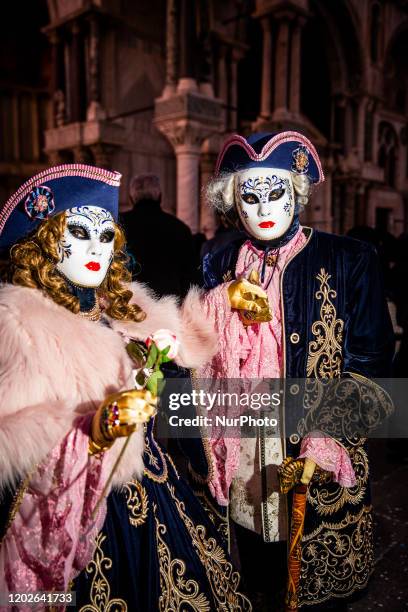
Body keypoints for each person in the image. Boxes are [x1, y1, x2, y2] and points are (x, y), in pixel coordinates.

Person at [0, 163, 251, 611]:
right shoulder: (19, 324)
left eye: (105, 235)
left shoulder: (123, 303)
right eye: (78, 232)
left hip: (152, 480)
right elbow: (13, 441)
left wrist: (222, 301)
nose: (96, 247)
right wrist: (93, 429)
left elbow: (181, 349)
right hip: (90, 508)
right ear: (44, 243)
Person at [193, 132, 394, 610]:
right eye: (250, 194)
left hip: (312, 440)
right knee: (257, 565)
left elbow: (371, 362)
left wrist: (325, 440)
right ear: (232, 200)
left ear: (297, 192)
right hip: (244, 438)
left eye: (276, 192)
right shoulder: (218, 260)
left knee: (311, 583)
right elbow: (196, 349)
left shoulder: (349, 259)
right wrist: (220, 302)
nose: (264, 206)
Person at [121, 173, 195, 298]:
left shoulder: (118, 225)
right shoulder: (180, 229)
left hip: (128, 305)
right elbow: (190, 278)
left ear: (131, 198)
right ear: (160, 197)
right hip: (168, 306)